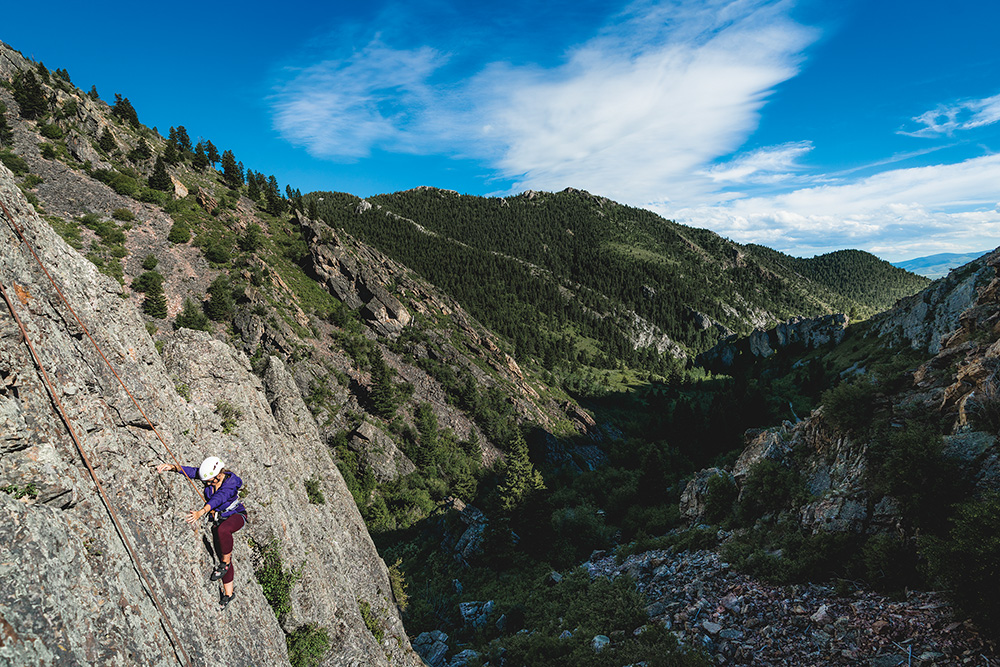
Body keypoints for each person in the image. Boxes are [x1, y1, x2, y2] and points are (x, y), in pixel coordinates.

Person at [156, 456, 246, 609]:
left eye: (211, 481)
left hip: (236, 515)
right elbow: (193, 472)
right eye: (207, 481)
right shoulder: (211, 477)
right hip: (219, 519)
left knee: (224, 536)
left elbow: (219, 498)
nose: (208, 483)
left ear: (219, 474)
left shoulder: (230, 482)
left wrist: (201, 512)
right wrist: (172, 467)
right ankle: (228, 594)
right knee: (221, 551)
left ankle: (225, 564)